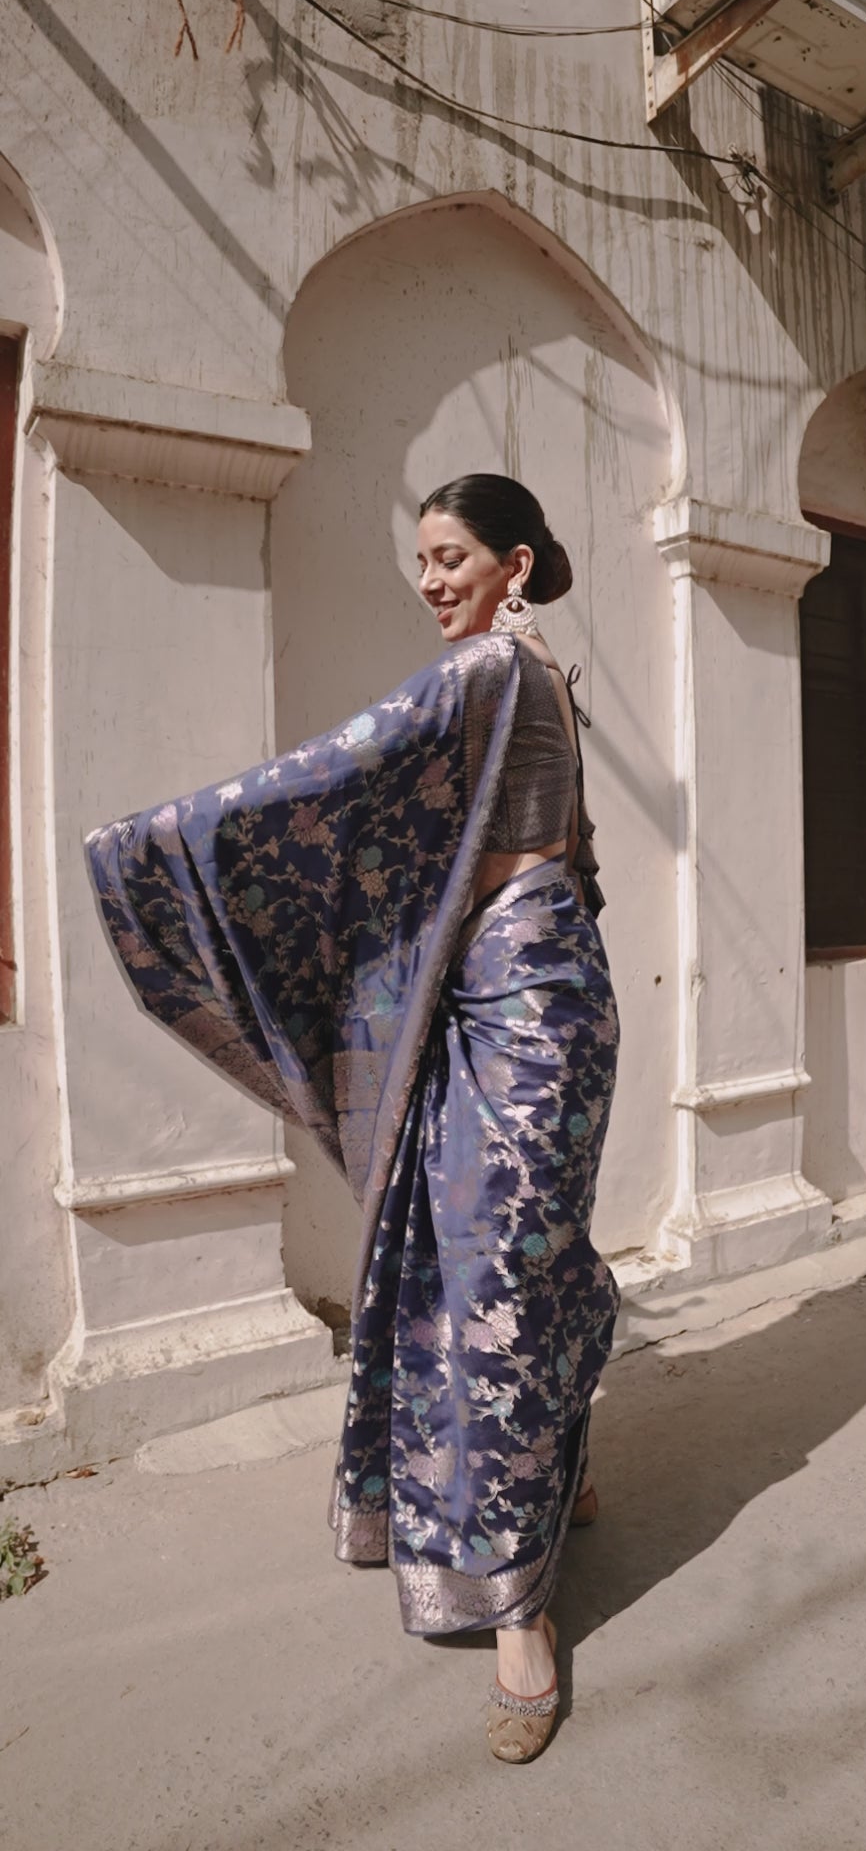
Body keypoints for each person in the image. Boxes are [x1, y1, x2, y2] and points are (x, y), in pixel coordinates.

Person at [86, 473, 619, 1765]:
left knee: (497, 1282)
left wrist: (156, 846)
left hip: (531, 1017)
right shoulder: (541, 677)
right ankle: (544, 1489)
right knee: (504, 1276)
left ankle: (516, 1615)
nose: (431, 581)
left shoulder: (488, 676)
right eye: (422, 563)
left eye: (451, 557)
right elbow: (574, 855)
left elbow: (334, 774)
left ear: (517, 563)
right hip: (527, 996)